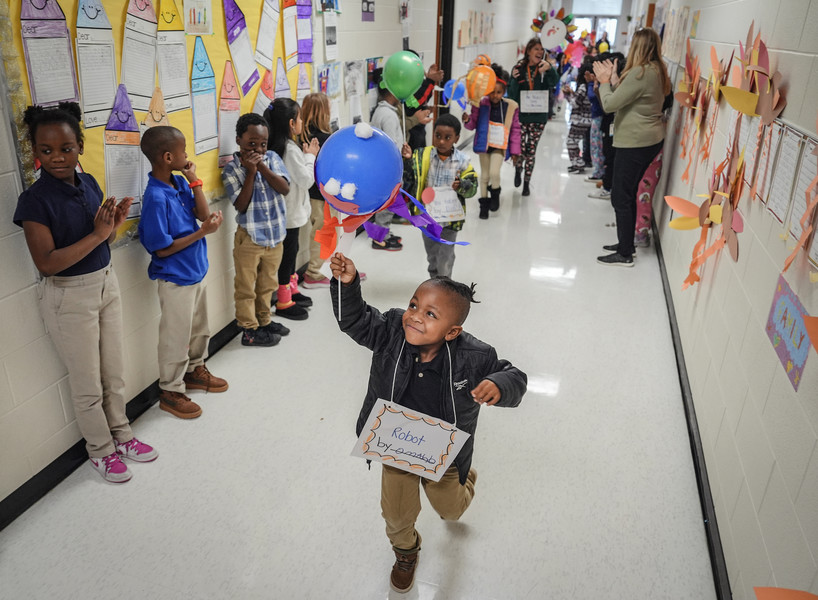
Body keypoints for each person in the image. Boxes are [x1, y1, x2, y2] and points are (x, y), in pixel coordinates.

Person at [328, 252, 527, 594]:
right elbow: (356, 321)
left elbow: (513, 375)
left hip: (444, 451)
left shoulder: (475, 355)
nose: (415, 317)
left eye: (430, 314)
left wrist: (498, 385)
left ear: (452, 331)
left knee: (451, 511)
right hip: (396, 444)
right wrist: (347, 285)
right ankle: (405, 553)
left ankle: (468, 480)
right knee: (396, 514)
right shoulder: (391, 330)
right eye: (414, 305)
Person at [14, 103, 156, 482]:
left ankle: (122, 435)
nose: (57, 157)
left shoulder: (89, 182)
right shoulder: (34, 200)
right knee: (87, 382)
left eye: (66, 148)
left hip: (105, 283)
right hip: (68, 295)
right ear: (35, 153)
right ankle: (101, 450)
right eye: (46, 151)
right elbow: (47, 262)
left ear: (79, 145)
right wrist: (97, 235)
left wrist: (112, 227)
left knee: (114, 372)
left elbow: (101, 239)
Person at [138, 126, 228, 419]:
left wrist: (194, 181)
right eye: (183, 151)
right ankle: (171, 390)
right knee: (175, 338)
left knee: (200, 328)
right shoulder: (155, 197)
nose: (187, 155)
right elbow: (161, 249)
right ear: (167, 157)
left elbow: (203, 215)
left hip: (195, 272)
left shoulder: (178, 183)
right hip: (175, 278)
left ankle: (194, 370)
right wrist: (201, 233)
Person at [594, 28, 670, 267]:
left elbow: (609, 104)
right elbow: (629, 97)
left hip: (635, 142)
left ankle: (625, 253)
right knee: (627, 193)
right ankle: (625, 243)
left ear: (637, 47)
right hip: (647, 140)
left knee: (621, 196)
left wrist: (604, 82)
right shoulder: (657, 70)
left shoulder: (640, 73)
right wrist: (615, 81)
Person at [222, 113, 292, 344]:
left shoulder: (271, 158)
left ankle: (264, 320)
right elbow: (241, 205)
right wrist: (251, 173)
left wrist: (261, 167)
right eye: (251, 143)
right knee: (246, 287)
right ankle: (249, 329)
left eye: (262, 144)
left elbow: (284, 188)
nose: (258, 149)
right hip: (250, 238)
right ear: (238, 140)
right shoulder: (231, 170)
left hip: (275, 235)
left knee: (267, 284)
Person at [264, 98, 319, 320]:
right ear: (290, 123)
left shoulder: (280, 146)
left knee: (292, 253)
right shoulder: (289, 149)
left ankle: (292, 290)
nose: (302, 121)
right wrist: (310, 156)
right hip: (290, 215)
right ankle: (284, 301)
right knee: (288, 256)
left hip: (288, 213)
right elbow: (306, 180)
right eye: (299, 118)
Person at [403, 113, 477, 278]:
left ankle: (444, 285)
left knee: (445, 256)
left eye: (448, 137)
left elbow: (473, 189)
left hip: (450, 219)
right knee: (432, 255)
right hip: (428, 217)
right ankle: (434, 282)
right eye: (438, 136)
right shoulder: (422, 156)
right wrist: (407, 161)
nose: (442, 141)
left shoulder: (463, 161)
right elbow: (409, 179)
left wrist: (463, 185)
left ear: (456, 138)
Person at [370, 68, 432, 250]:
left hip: (386, 166)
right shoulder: (388, 115)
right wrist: (402, 154)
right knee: (386, 204)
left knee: (387, 203)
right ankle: (379, 238)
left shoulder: (385, 111)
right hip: (388, 167)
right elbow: (390, 146)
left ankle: (383, 233)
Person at [462, 63, 520, 217]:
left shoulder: (510, 107)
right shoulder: (480, 104)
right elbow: (472, 124)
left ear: (504, 92)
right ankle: (484, 205)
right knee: (484, 175)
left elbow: (515, 130)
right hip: (484, 145)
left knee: (495, 173)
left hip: (499, 146)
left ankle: (495, 194)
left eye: (499, 92)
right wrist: (467, 120)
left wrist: (515, 151)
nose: (495, 96)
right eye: (492, 92)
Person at [507, 37, 560, 196]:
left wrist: (550, 69)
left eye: (541, 49)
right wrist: (515, 79)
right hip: (522, 117)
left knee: (531, 151)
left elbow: (554, 83)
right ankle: (518, 169)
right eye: (536, 48)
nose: (539, 52)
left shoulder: (544, 67)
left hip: (538, 117)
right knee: (521, 149)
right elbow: (512, 94)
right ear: (529, 50)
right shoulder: (519, 68)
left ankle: (527, 182)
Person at [300, 92, 334, 289]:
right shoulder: (324, 139)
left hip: (310, 194)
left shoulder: (301, 137)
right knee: (321, 232)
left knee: (322, 231)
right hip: (321, 195)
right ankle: (314, 272)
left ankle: (326, 268)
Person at [563, 60, 593, 174]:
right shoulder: (588, 87)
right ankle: (577, 163)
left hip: (579, 120)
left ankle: (578, 164)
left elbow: (575, 103)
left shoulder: (582, 87)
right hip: (586, 119)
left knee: (571, 142)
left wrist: (567, 95)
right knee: (574, 141)